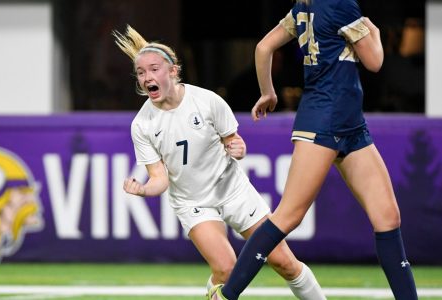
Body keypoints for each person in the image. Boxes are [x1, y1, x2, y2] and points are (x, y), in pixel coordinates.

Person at [209, 0, 419, 299]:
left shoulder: (304, 7)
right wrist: (373, 31)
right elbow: (375, 61)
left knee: (388, 217)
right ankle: (226, 295)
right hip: (325, 121)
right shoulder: (342, 5)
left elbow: (263, 48)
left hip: (349, 124)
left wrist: (268, 92)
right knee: (288, 216)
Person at [113, 25, 327, 300]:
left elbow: (233, 142)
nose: (147, 77)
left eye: (154, 69)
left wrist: (238, 148)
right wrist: (143, 189)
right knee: (227, 270)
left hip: (233, 191)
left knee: (285, 263)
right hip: (194, 203)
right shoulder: (142, 125)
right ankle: (216, 287)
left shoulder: (207, 101)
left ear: (173, 72)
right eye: (141, 73)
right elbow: (160, 178)